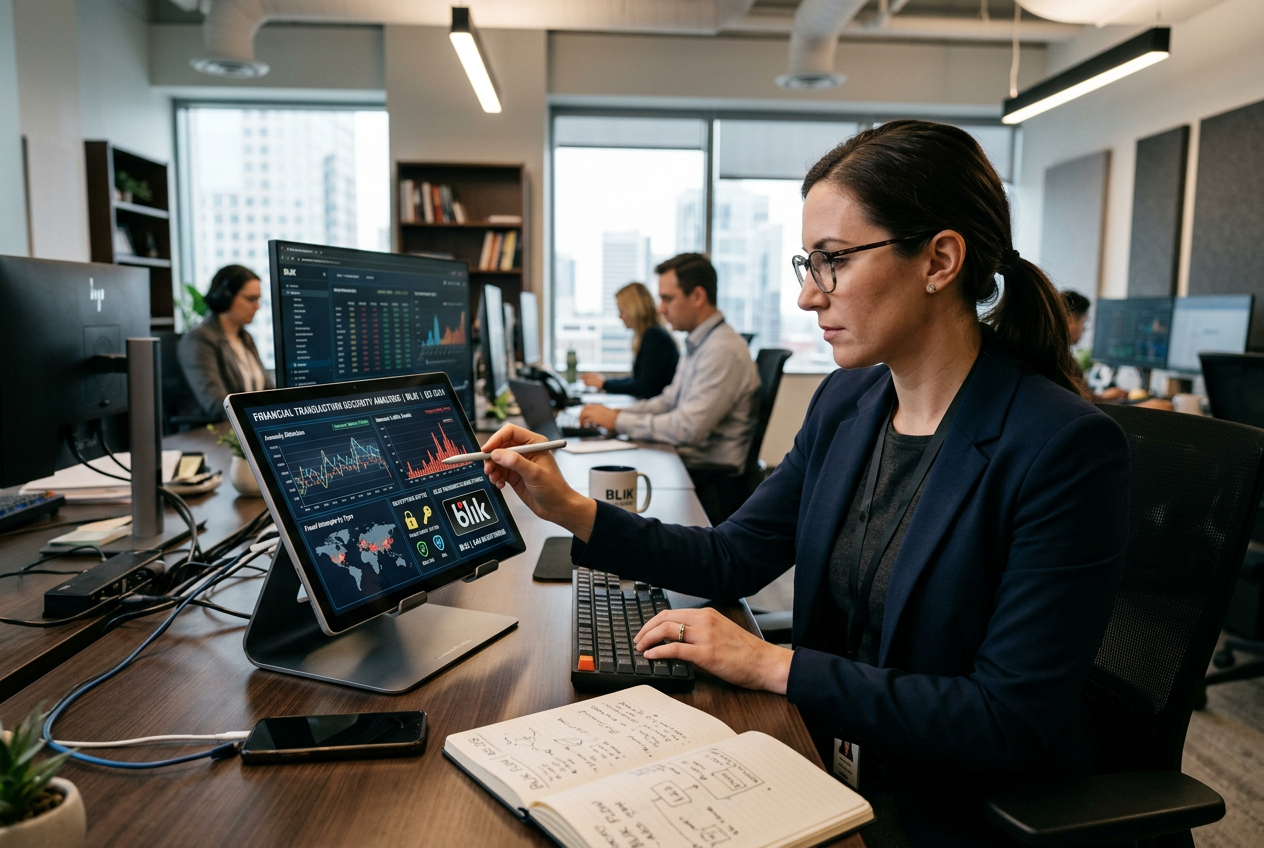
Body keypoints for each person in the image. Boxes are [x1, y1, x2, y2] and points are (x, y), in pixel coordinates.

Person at [483, 121, 1130, 846]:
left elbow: (1006, 720)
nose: (807, 297)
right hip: (825, 756)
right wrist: (572, 509)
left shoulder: (1062, 447)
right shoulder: (847, 403)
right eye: (807, 264)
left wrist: (774, 665)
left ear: (940, 260)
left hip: (946, 807)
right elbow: (732, 557)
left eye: (833, 261)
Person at [578, 254, 760, 474]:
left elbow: (687, 428)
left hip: (706, 474)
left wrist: (618, 421)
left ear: (698, 296)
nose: (660, 309)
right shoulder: (699, 343)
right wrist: (618, 414)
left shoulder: (721, 350)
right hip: (685, 461)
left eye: (668, 299)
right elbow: (668, 402)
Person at [178, 264, 273, 419]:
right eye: (251, 299)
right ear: (225, 297)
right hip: (211, 430)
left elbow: (268, 390)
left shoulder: (245, 337)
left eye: (258, 299)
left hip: (248, 424)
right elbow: (216, 404)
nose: (257, 306)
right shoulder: (198, 340)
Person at [580, 282, 679, 399]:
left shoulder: (654, 337)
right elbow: (638, 380)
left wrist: (605, 384)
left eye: (622, 311)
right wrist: (605, 382)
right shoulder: (651, 334)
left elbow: (644, 387)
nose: (620, 317)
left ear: (633, 309)